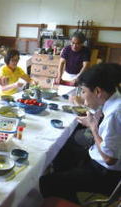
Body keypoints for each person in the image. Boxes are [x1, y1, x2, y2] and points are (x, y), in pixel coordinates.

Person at [40, 63, 121, 204]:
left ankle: (69, 199)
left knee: (47, 182)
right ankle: (67, 186)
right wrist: (93, 118)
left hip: (106, 173)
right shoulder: (115, 97)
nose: (83, 96)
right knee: (63, 151)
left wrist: (93, 127)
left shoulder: (115, 113)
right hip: (103, 164)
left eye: (83, 91)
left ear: (97, 91)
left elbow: (109, 158)